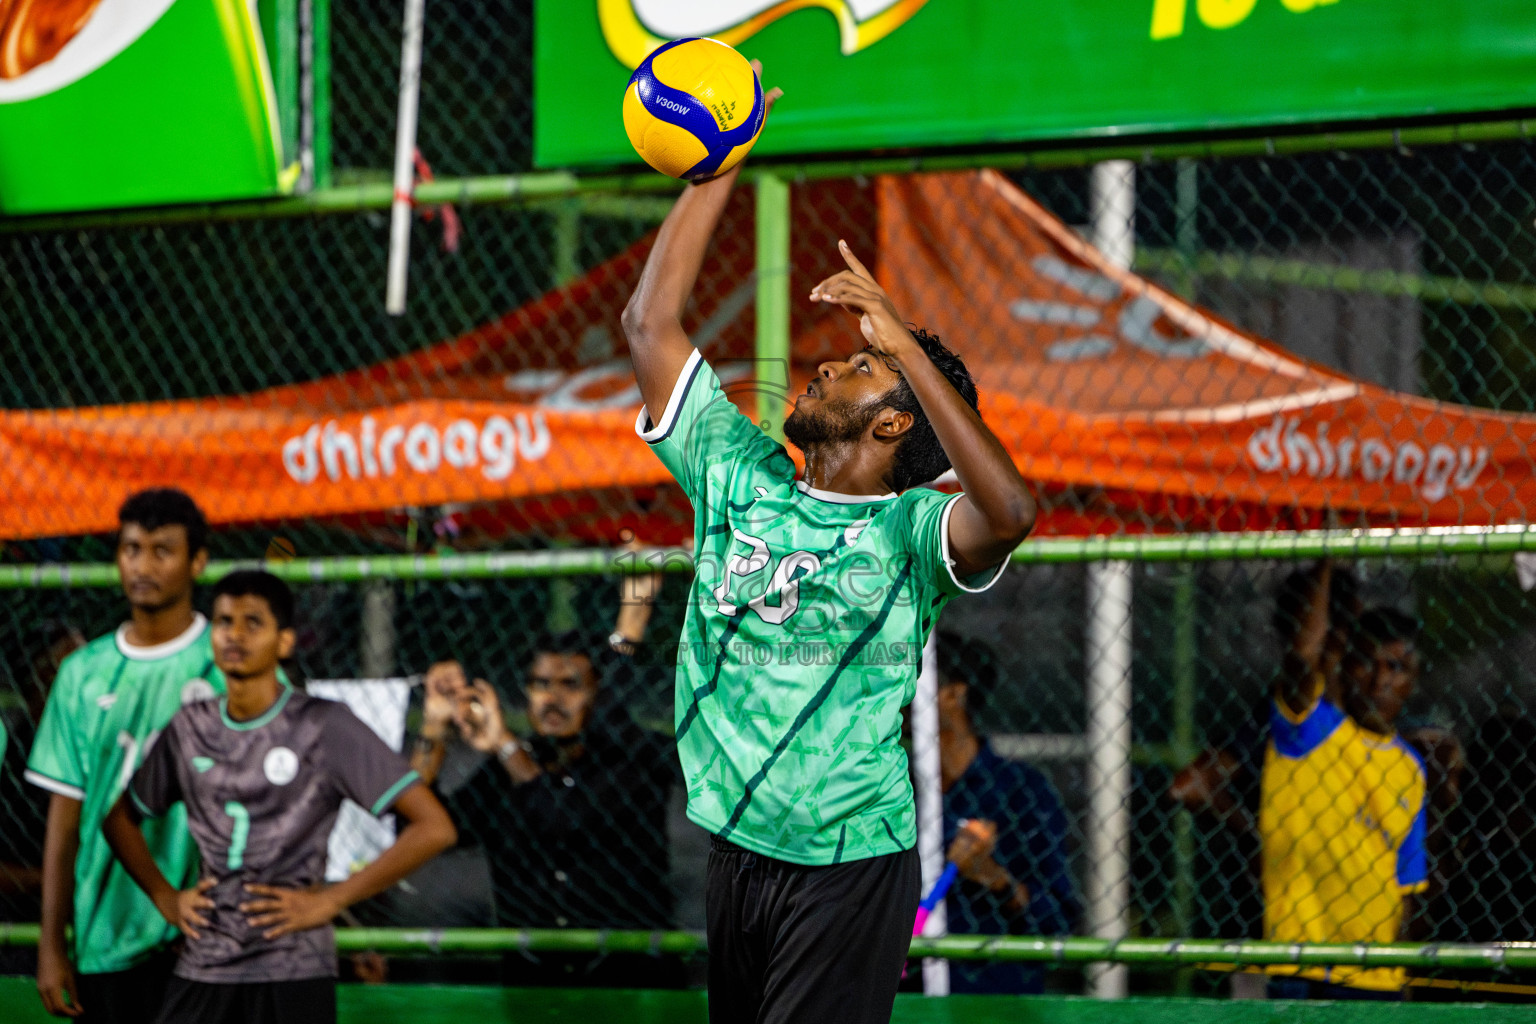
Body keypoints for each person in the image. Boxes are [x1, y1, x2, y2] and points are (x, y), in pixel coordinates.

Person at [621, 64, 1035, 1024]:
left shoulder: (911, 531)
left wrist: (908, 352)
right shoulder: (735, 469)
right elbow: (650, 323)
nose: (823, 365)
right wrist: (717, 161)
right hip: (737, 848)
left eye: (856, 370)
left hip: (851, 861)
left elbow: (1007, 512)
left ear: (894, 426)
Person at [100, 570, 456, 1024]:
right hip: (205, 962)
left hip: (292, 965)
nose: (236, 635)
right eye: (225, 621)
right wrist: (166, 897)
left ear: (284, 642)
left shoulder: (323, 726)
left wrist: (330, 900)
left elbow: (434, 828)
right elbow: (118, 819)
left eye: (254, 623)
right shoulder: (189, 727)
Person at [26, 489, 222, 1022]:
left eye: (163, 550)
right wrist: (51, 943)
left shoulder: (229, 663)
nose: (143, 564)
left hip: (211, 942)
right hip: (106, 934)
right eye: (131, 549)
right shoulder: (81, 674)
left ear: (197, 562)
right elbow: (64, 820)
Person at [411, 631, 679, 987]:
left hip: (631, 979)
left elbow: (561, 818)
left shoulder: (631, 762)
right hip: (531, 981)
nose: (553, 699)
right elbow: (422, 828)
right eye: (541, 685)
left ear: (597, 694)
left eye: (571, 685)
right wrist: (434, 727)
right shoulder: (501, 772)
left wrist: (505, 745)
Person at [1167, 566, 1360, 952]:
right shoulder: (1284, 717)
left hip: (1347, 917)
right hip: (1273, 916)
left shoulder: (1364, 720)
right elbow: (1189, 787)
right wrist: (1263, 836)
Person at [1261, 560, 1428, 1000]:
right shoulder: (1313, 730)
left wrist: (1403, 978)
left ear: (1413, 681)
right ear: (1345, 666)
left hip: (1379, 978)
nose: (1379, 680)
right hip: (1306, 969)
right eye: (1366, 663)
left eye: (1396, 667)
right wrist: (1328, 559)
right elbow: (1302, 657)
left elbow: (1407, 886)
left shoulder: (1410, 768)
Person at [932, 633, 1077, 994]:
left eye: (909, 679)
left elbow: (1058, 918)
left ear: (953, 694)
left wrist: (994, 878)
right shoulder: (887, 784)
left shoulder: (1022, 790)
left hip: (991, 999)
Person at [1, 621, 85, 925]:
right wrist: (52, 880)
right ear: (43, 677)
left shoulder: (91, 746)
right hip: (21, 921)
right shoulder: (15, 755)